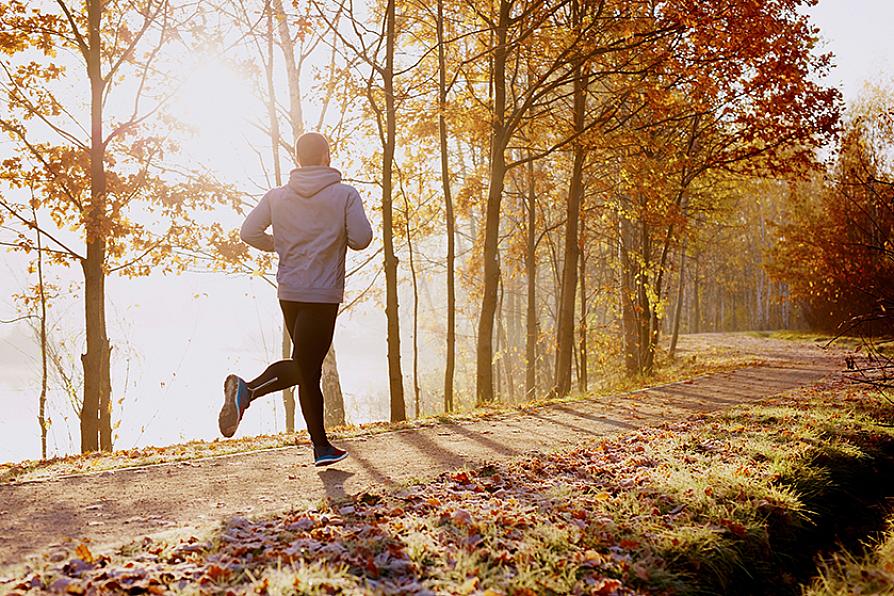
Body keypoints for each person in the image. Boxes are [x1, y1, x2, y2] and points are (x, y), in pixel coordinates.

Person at [219, 131, 373, 467]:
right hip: (322, 293)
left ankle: (321, 447)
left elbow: (248, 232)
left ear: (298, 160)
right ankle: (248, 390)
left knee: (307, 368)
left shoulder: (277, 196)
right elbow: (362, 239)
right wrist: (337, 234)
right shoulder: (345, 195)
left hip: (289, 292)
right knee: (306, 366)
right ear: (326, 157)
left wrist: (281, 244)